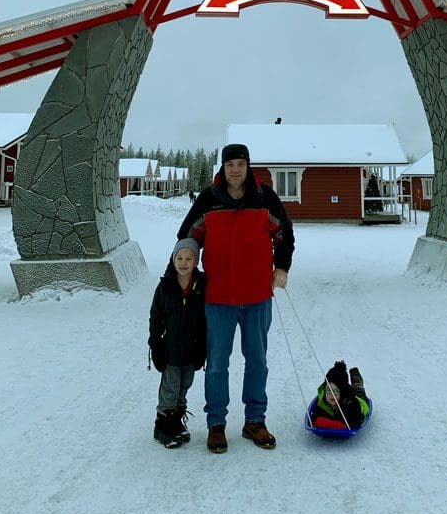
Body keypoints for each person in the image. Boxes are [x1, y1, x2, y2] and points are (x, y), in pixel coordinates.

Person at [175, 143, 294, 453]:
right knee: (216, 364)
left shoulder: (265, 198)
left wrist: (281, 266)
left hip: (257, 296)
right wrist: (183, 271)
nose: (235, 170)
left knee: (257, 361)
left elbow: (284, 234)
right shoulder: (209, 200)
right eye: (230, 164)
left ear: (248, 166)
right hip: (218, 298)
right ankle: (216, 424)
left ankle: (255, 420)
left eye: (240, 164)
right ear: (223, 168)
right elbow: (186, 236)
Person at [148, 237, 207, 449]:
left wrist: (203, 348)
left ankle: (176, 422)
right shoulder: (165, 286)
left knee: (184, 385)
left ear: (195, 261)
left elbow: (205, 321)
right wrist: (155, 345)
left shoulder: (201, 286)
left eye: (188, 258)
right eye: (179, 258)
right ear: (173, 260)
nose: (183, 263)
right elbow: (155, 317)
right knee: (170, 388)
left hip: (191, 349)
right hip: (170, 349)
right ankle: (162, 426)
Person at [309, 361, 369, 430]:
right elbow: (313, 420)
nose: (332, 395)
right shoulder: (322, 402)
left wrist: (338, 425)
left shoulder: (352, 403)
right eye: (329, 390)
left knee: (358, 390)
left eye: (336, 391)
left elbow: (355, 423)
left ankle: (356, 380)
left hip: (361, 405)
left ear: (343, 391)